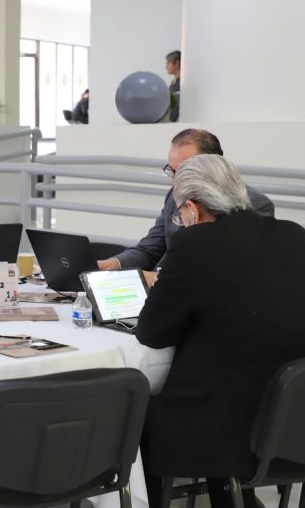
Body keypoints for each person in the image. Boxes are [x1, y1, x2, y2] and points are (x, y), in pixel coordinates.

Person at [136, 154, 305, 508]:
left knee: (134, 417)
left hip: (227, 430)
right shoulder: (294, 235)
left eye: (178, 214)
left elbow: (151, 332)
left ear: (192, 210)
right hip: (293, 421)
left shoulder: (194, 245)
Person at [97, 129, 274, 285]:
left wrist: (158, 278)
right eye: (172, 171)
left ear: (213, 165)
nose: (176, 180)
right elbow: (150, 249)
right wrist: (114, 264)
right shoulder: (174, 196)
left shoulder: (254, 205)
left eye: (183, 171)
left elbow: (231, 274)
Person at [166, 50, 181, 122]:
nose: (166, 67)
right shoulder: (173, 84)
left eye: (168, 63)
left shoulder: (181, 85)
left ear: (176, 64)